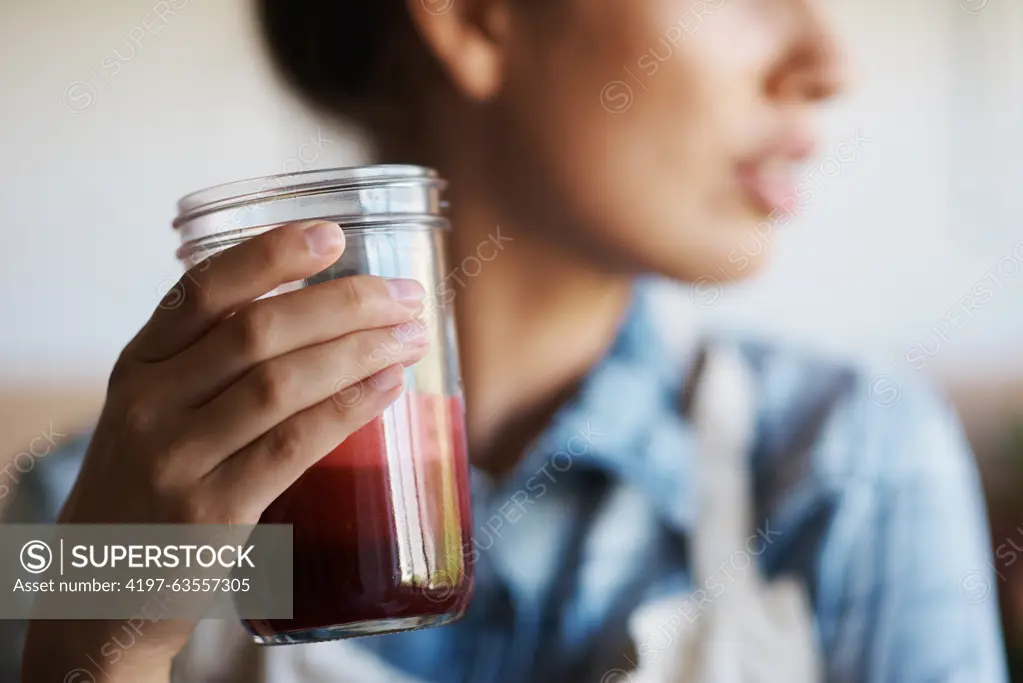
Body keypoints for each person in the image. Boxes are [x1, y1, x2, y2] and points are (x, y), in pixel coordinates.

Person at [17, 0, 1008, 681]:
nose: (828, 66)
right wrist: (99, 644)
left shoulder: (855, 460)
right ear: (474, 15)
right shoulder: (78, 507)